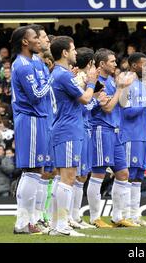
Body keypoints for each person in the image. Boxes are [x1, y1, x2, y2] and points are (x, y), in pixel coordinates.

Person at [48, 36, 99, 236]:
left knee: (62, 178)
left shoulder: (58, 73)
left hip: (63, 127)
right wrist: (92, 82)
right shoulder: (63, 75)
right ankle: (61, 225)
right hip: (68, 129)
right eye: (73, 49)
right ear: (64, 53)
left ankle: (56, 224)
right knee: (68, 178)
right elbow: (86, 99)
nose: (76, 52)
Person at [10, 26, 53, 235]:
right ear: (25, 42)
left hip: (40, 118)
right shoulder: (22, 65)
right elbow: (36, 93)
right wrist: (52, 78)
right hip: (29, 119)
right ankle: (21, 223)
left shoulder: (36, 61)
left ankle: (31, 221)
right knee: (31, 170)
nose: (39, 40)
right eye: (35, 37)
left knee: (39, 171)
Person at [88, 48, 137, 228]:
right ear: (101, 64)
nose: (115, 64)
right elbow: (107, 108)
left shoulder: (110, 81)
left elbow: (120, 104)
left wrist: (124, 88)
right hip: (101, 129)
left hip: (115, 130)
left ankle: (117, 217)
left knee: (123, 173)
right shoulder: (96, 84)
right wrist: (120, 88)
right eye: (112, 61)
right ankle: (95, 217)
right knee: (98, 174)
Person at [121, 52, 146, 226]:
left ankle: (135, 216)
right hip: (131, 135)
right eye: (144, 64)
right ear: (134, 65)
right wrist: (144, 106)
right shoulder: (126, 84)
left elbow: (143, 112)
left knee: (139, 176)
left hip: (144, 135)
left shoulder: (142, 85)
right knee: (129, 174)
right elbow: (126, 112)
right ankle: (124, 215)